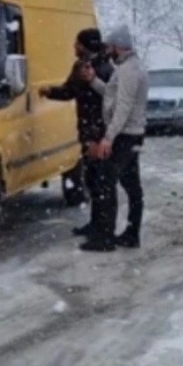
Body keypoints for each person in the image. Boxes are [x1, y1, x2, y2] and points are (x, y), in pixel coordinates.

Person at [39, 28, 115, 238]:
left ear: (85, 45)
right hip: (87, 132)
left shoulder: (105, 68)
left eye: (77, 43)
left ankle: (103, 229)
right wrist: (51, 92)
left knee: (101, 183)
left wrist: (99, 137)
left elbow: (111, 103)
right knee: (92, 181)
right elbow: (70, 91)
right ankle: (96, 224)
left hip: (99, 135)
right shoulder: (81, 67)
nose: (74, 46)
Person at [80, 25, 148, 252]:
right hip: (131, 135)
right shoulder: (126, 68)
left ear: (119, 47)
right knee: (130, 184)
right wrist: (92, 81)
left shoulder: (128, 70)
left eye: (109, 46)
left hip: (125, 136)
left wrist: (108, 138)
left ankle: (106, 238)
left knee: (105, 182)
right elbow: (111, 95)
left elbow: (123, 106)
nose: (106, 49)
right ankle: (131, 233)